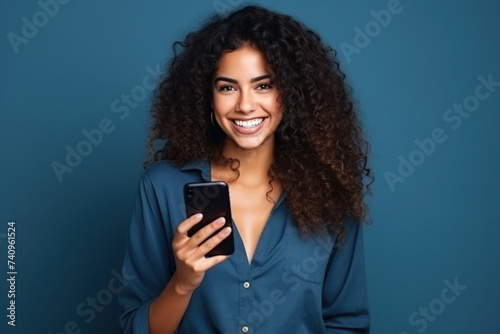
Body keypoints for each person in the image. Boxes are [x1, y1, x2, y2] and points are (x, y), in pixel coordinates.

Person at [118, 5, 373, 334]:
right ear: (207, 97)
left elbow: (348, 324)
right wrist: (183, 283)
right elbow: (134, 329)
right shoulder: (163, 188)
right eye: (227, 87)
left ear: (290, 94)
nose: (245, 105)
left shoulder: (330, 194)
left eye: (263, 85)